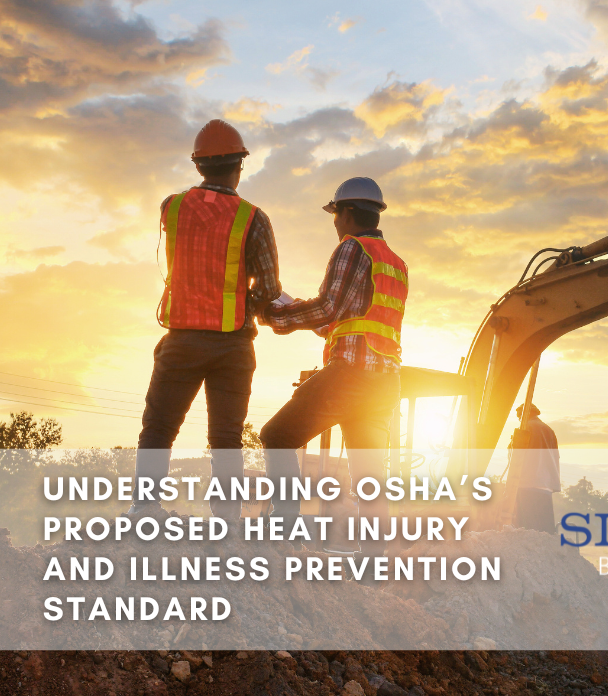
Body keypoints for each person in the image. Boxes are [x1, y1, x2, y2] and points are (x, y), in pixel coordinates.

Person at [129, 119, 281, 521]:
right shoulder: (254, 219)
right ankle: (227, 520)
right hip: (232, 344)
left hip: (182, 340)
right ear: (240, 166)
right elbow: (267, 289)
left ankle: (145, 508)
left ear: (198, 165)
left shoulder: (171, 207)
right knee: (227, 438)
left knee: (160, 427)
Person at [259, 177, 407, 558]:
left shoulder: (351, 249)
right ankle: (374, 561)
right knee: (368, 472)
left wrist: (278, 315)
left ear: (349, 213)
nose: (335, 223)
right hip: (385, 381)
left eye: (336, 214)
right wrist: (297, 315)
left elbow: (327, 308)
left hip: (351, 376)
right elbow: (345, 322)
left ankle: (285, 535)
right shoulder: (394, 262)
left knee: (277, 435)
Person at [510, 403, 561, 533]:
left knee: (525, 529)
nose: (520, 420)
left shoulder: (525, 428)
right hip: (546, 486)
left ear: (524, 414)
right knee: (544, 529)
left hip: (526, 484)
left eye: (519, 417)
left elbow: (515, 456)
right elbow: (556, 457)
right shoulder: (549, 430)